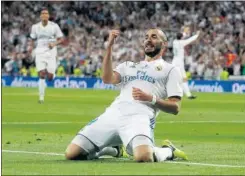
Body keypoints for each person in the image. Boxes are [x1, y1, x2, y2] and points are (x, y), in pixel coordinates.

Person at [65, 28, 188, 162]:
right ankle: (114, 150)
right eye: (146, 37)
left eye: (154, 37)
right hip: (113, 114)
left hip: (139, 118)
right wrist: (109, 47)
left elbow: (175, 107)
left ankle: (168, 150)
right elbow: (107, 78)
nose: (148, 40)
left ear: (164, 44)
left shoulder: (170, 70)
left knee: (143, 157)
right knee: (72, 154)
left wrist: (151, 98)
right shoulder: (128, 66)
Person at [29, 8, 64, 103]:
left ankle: (53, 75)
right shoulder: (35, 27)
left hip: (51, 52)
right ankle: (41, 98)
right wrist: (30, 48)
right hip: (40, 51)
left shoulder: (54, 26)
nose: (44, 15)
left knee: (50, 77)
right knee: (41, 74)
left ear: (48, 16)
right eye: (43, 13)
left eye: (46, 14)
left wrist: (54, 44)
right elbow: (32, 39)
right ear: (40, 16)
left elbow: (61, 39)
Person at [172, 31, 201, 99]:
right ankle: (187, 94)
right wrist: (196, 35)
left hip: (174, 62)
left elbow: (182, 36)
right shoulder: (181, 43)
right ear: (181, 37)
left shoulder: (174, 41)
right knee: (183, 79)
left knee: (179, 80)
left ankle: (188, 94)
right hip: (179, 64)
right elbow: (190, 40)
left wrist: (185, 33)